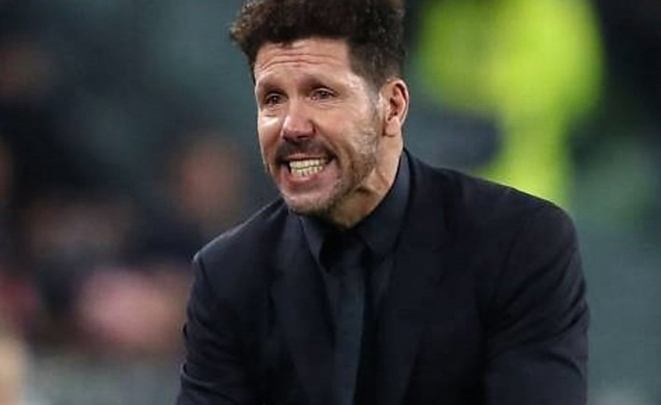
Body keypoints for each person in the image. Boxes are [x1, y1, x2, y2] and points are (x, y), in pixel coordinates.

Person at [176, 0, 589, 404]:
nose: (291, 126)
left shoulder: (519, 246)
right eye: (272, 99)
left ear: (392, 107)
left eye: (321, 94)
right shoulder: (228, 276)